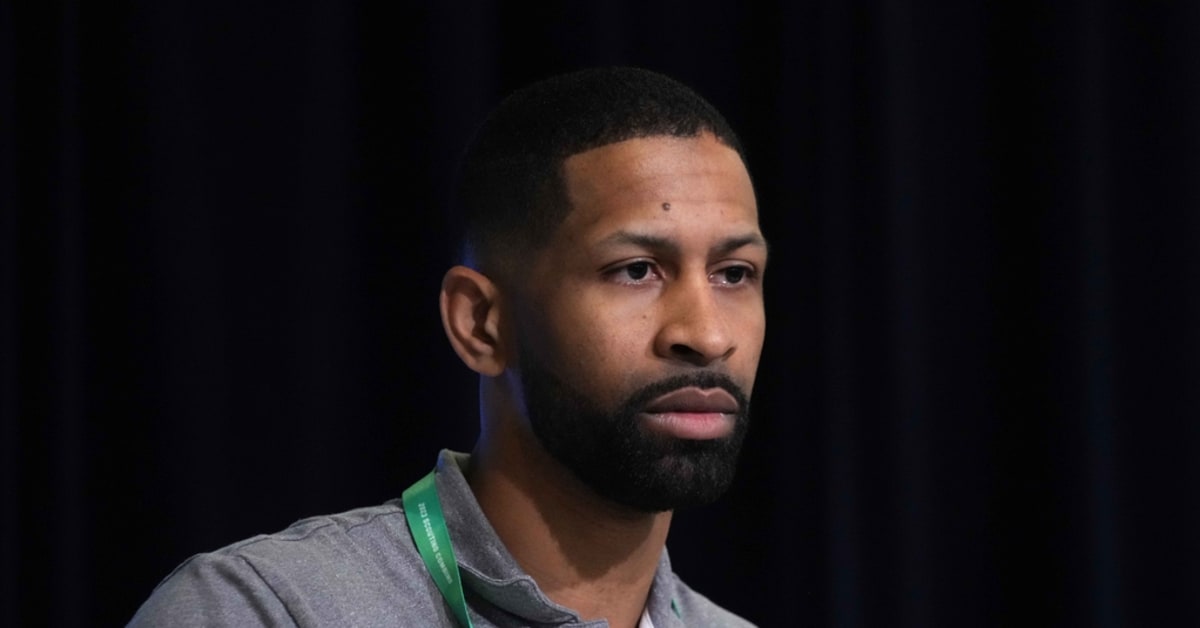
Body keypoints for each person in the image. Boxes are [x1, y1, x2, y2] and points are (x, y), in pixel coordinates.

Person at [130, 67, 767, 628]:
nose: (708, 335)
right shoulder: (265, 611)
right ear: (481, 323)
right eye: (636, 270)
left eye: (734, 273)